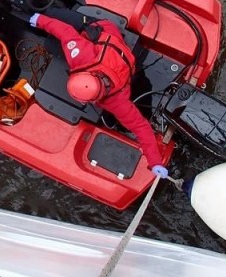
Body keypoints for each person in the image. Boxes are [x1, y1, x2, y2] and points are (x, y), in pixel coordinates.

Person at [28, 10, 168, 178]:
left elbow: (141, 127)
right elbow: (65, 32)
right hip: (105, 36)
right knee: (57, 20)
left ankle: (40, 14)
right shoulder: (84, 57)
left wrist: (156, 161)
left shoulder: (117, 101)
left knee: (50, 44)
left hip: (104, 35)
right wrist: (41, 20)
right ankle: (43, 12)